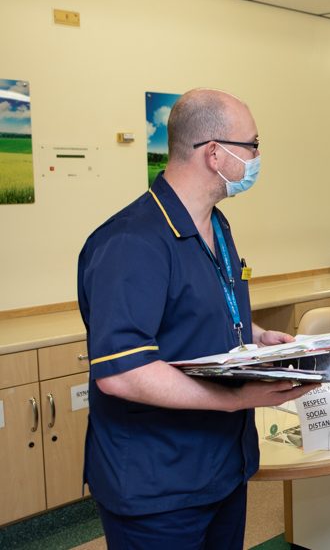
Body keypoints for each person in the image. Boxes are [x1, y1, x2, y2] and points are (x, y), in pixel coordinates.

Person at [77, 89, 317, 549]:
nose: (257, 157)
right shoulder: (132, 242)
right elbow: (122, 374)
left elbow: (199, 313)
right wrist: (235, 399)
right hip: (158, 486)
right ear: (214, 153)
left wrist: (258, 336)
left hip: (221, 466)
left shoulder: (216, 224)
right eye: (252, 145)